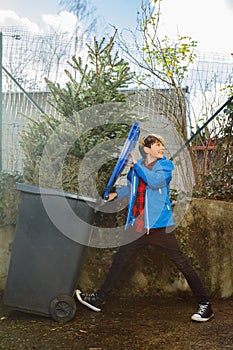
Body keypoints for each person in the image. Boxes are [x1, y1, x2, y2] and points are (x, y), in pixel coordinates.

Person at [76, 134, 214, 322]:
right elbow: (132, 189)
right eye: (157, 145)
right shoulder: (137, 168)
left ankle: (205, 305)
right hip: (138, 227)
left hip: (159, 227)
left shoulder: (165, 167)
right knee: (120, 260)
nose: (162, 148)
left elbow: (154, 182)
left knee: (182, 263)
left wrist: (136, 166)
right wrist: (116, 194)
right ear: (146, 149)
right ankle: (99, 299)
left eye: (162, 145)